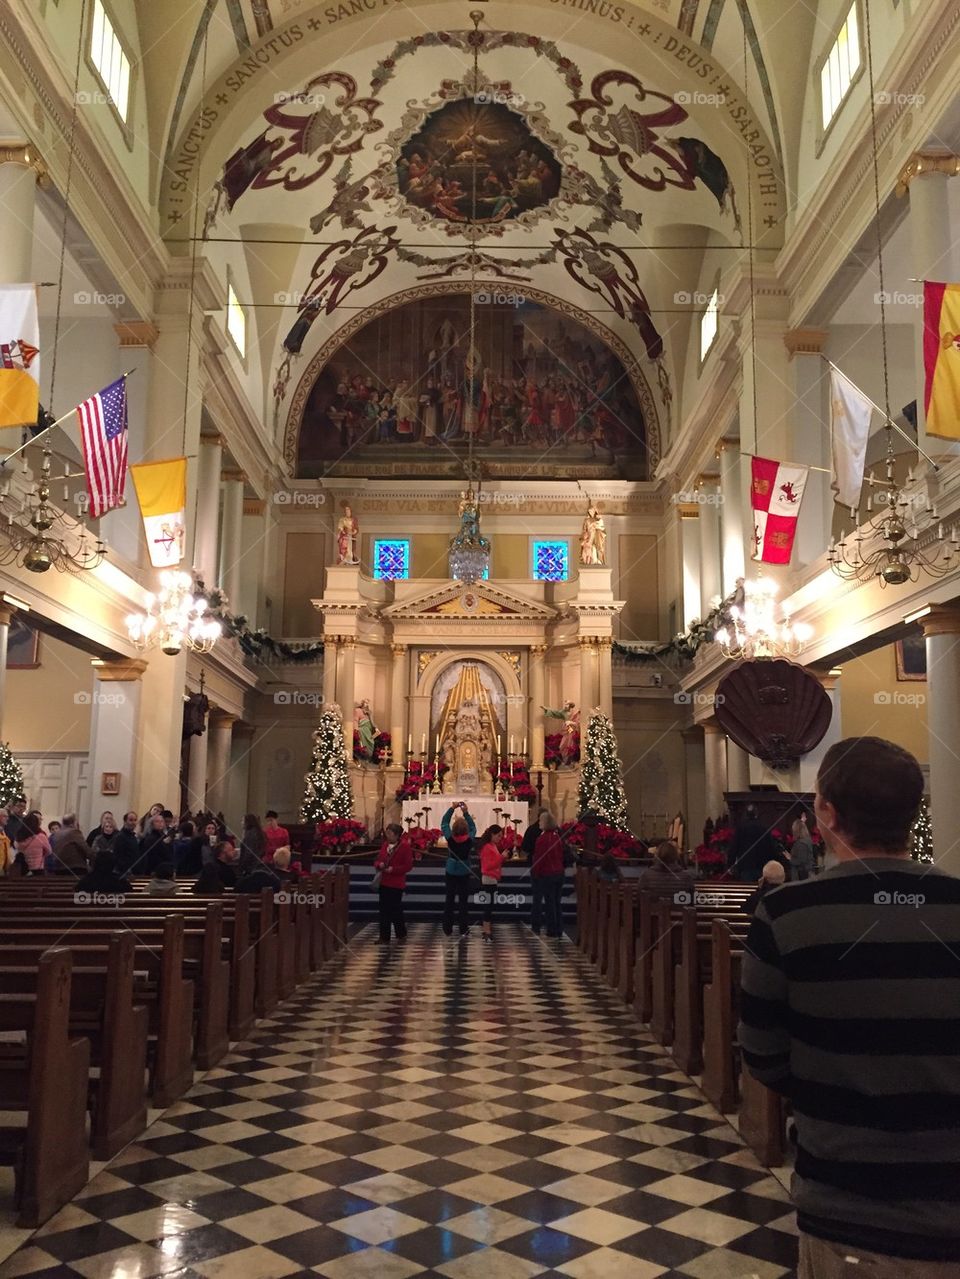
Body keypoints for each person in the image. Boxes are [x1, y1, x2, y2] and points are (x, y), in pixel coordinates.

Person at [739, 737, 960, 1274]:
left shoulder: (787, 912)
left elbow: (763, 1055)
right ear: (917, 811)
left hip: (843, 1201)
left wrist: (837, 1083)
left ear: (826, 813)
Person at [374, 823, 414, 944]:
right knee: (383, 910)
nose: (388, 836)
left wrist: (394, 870)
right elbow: (378, 859)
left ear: (397, 835)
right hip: (384, 881)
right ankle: (384, 936)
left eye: (390, 834)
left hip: (396, 883)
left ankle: (401, 933)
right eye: (387, 833)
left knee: (395, 909)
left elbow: (408, 866)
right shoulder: (385, 845)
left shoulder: (405, 847)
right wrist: (379, 865)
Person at [441, 804, 476, 941]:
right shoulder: (469, 839)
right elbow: (473, 828)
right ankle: (463, 928)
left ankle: (447, 928)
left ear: (454, 829)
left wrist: (451, 809)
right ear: (466, 830)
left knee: (449, 899)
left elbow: (444, 823)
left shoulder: (450, 838)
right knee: (463, 901)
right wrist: (466, 813)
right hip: (464, 871)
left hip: (451, 870)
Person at [531, 812, 565, 937]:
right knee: (556, 902)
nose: (539, 822)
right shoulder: (557, 837)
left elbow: (539, 858)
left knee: (550, 903)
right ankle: (558, 928)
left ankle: (552, 929)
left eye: (540, 820)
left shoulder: (542, 839)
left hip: (548, 874)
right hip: (559, 873)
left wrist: (535, 873)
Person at [727, 804, 777, 881]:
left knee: (746, 890)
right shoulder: (764, 828)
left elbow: (734, 848)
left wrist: (730, 865)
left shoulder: (740, 828)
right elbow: (771, 848)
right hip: (762, 867)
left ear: (746, 815)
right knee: (761, 890)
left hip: (745, 867)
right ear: (756, 814)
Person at [478, 824, 505, 943]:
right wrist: (501, 857)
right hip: (488, 879)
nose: (500, 838)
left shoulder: (492, 845)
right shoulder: (487, 847)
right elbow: (488, 866)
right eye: (498, 835)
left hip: (492, 878)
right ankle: (486, 931)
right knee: (488, 906)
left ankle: (487, 929)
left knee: (490, 906)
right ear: (492, 835)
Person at [16, 811, 50, 875]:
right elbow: (49, 851)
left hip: (23, 867)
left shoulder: (20, 836)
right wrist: (41, 855)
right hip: (38, 868)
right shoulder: (41, 836)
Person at [789, 814, 816, 881]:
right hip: (807, 873)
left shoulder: (801, 843)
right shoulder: (807, 840)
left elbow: (801, 861)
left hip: (802, 876)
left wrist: (790, 858)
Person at [113, 811, 141, 876]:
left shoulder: (133, 836)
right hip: (123, 873)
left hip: (133, 872)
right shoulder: (120, 837)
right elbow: (118, 857)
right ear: (125, 822)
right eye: (131, 820)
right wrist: (127, 869)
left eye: (135, 820)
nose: (133, 823)